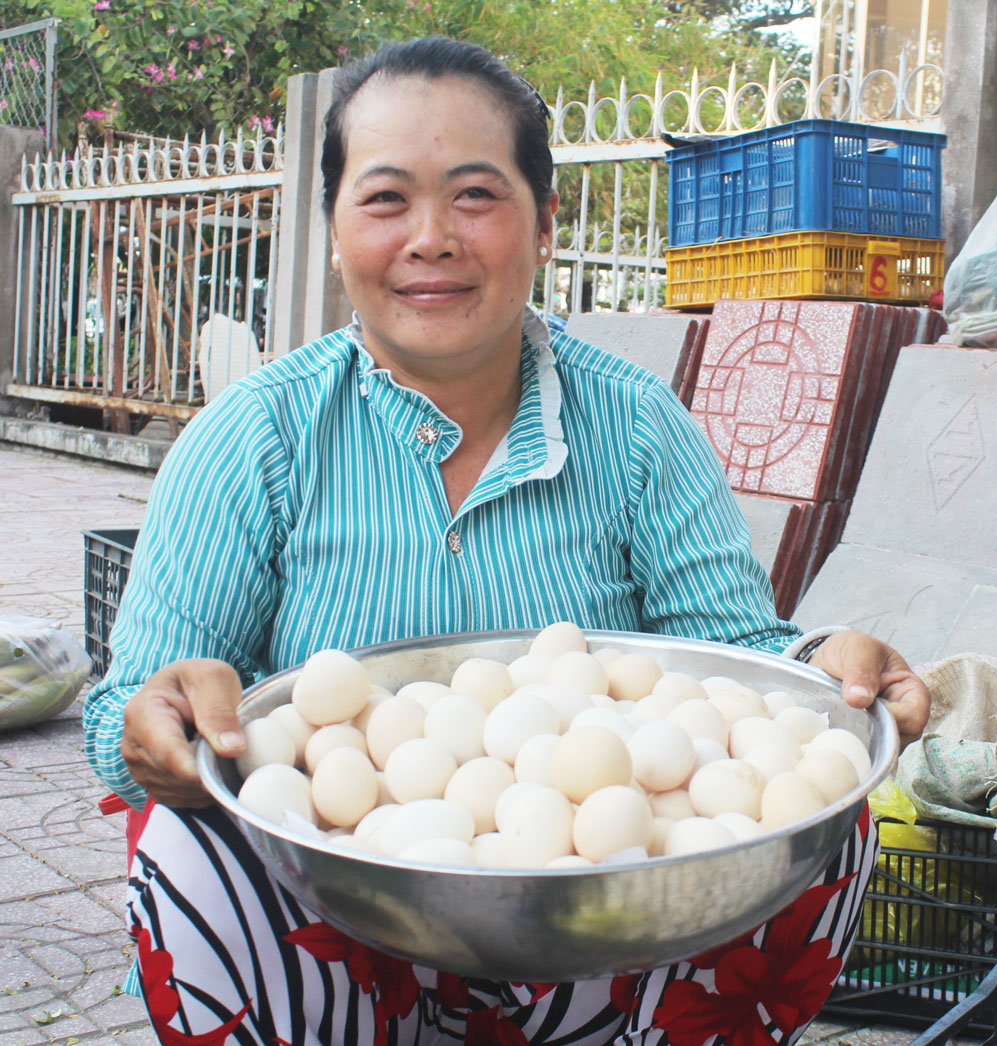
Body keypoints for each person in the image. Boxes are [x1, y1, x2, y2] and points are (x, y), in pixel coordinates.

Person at [83, 35, 930, 1046]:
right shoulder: (257, 437)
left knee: (826, 810)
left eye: (476, 195)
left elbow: (733, 669)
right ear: (333, 224)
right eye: (386, 198)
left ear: (544, 221)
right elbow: (125, 726)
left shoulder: (635, 424)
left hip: (602, 932)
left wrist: (822, 672)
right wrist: (161, 720)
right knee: (184, 836)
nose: (432, 237)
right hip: (335, 917)